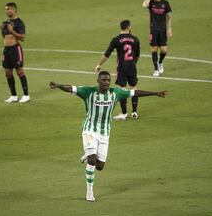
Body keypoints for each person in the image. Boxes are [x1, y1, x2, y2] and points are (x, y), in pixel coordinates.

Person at [49, 71, 167, 202]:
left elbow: (135, 93)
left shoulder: (115, 93)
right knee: (92, 161)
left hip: (105, 133)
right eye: (103, 80)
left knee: (100, 166)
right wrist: (58, 84)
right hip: (90, 130)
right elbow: (70, 88)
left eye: (108, 80)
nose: (106, 82)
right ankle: (89, 192)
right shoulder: (88, 92)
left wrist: (155, 93)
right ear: (98, 80)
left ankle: (87, 154)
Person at [94, 20, 140, 120]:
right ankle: (134, 112)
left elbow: (107, 54)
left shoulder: (116, 40)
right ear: (128, 27)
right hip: (132, 66)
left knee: (121, 89)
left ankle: (124, 113)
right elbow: (137, 55)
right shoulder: (135, 39)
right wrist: (133, 64)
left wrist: (99, 64)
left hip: (122, 67)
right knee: (134, 88)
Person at [0, 2, 30, 103]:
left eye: (8, 9)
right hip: (6, 50)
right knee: (7, 73)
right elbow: (4, 36)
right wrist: (3, 29)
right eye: (6, 9)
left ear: (13, 9)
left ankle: (26, 95)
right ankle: (13, 95)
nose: (6, 11)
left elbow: (22, 37)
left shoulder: (19, 22)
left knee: (20, 72)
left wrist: (12, 31)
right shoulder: (6, 23)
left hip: (15, 50)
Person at [142, 0, 172, 77]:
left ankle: (160, 62)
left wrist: (169, 28)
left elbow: (169, 16)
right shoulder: (151, 3)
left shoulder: (165, 3)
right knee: (154, 49)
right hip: (153, 30)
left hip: (163, 30)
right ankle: (156, 69)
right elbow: (144, 5)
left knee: (164, 50)